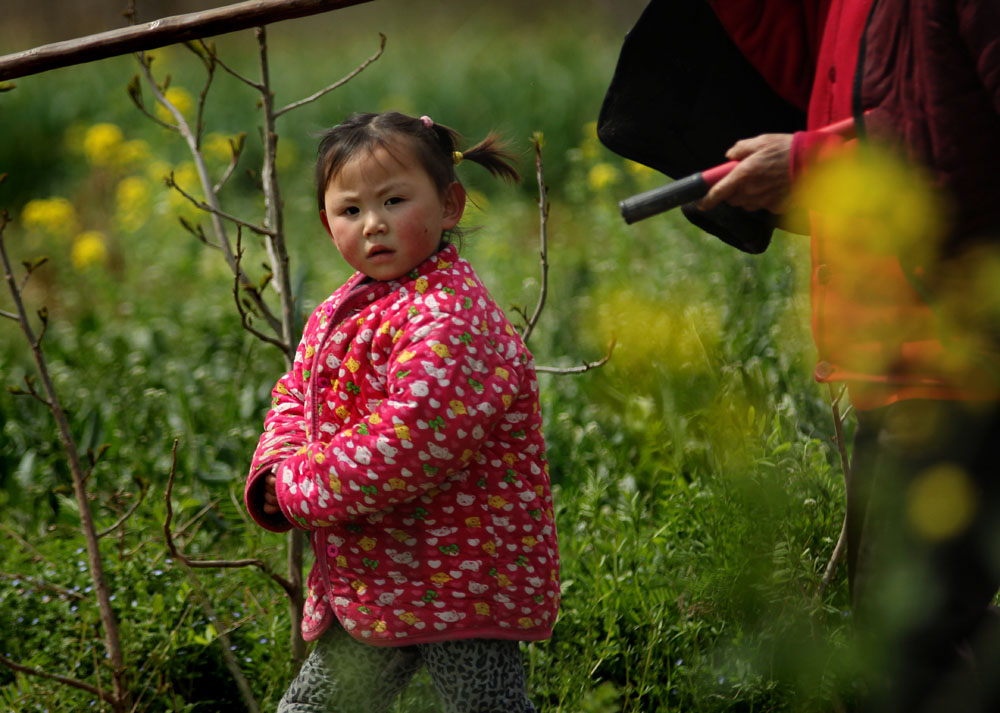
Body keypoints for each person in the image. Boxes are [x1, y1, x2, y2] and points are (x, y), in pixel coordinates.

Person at [599, 0, 1000, 711]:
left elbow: (959, 127)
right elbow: (827, 71)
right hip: (905, 353)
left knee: (915, 656)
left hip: (959, 352)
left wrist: (811, 160)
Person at [243, 111, 560, 713]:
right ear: (327, 223)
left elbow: (408, 444)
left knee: (483, 706)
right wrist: (276, 467)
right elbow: (296, 395)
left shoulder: (450, 317)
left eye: (393, 200)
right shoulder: (347, 306)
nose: (374, 225)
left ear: (449, 206)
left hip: (464, 579)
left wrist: (298, 490)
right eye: (352, 210)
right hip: (377, 577)